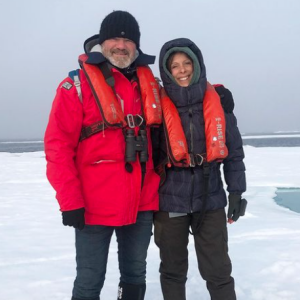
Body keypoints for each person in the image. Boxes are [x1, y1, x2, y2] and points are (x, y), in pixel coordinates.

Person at [44, 11, 162, 300]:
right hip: (93, 207)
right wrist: (70, 201)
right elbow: (58, 148)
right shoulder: (76, 87)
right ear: (102, 42)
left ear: (136, 46)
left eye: (128, 40)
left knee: (135, 276)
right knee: (89, 280)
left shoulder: (151, 85)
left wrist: (218, 92)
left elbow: (188, 92)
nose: (121, 45)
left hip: (142, 203)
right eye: (115, 38)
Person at [152, 38, 247, 300]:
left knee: (218, 271)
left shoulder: (220, 102)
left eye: (187, 64)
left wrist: (237, 191)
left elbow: (234, 153)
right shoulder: (156, 107)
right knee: (172, 270)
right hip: (170, 200)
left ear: (197, 65)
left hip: (211, 197)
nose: (182, 70)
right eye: (175, 66)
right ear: (166, 71)